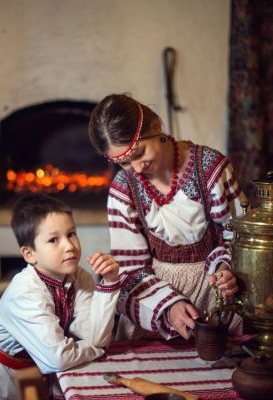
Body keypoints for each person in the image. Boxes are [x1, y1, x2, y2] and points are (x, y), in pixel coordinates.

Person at [88, 93, 246, 341]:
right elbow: (129, 267)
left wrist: (225, 268)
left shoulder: (210, 169)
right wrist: (168, 306)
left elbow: (242, 236)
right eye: (124, 162)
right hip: (154, 302)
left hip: (216, 297)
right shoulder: (123, 188)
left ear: (155, 127)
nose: (137, 168)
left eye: (139, 153)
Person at [0, 192, 121, 400]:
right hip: (0, 380)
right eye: (54, 240)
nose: (69, 246)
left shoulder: (79, 277)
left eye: (71, 233)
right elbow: (59, 358)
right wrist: (96, 350)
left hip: (37, 371)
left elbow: (95, 335)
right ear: (30, 254)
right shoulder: (26, 291)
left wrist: (109, 283)